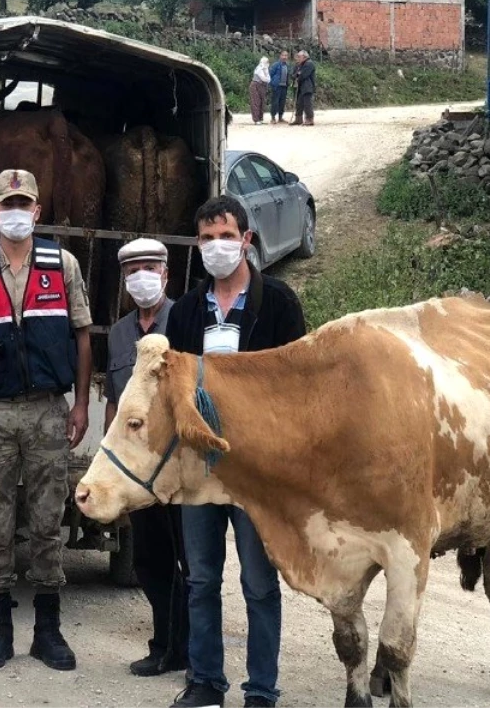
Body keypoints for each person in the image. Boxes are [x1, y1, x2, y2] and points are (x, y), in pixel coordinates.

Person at [164, 197, 306, 708]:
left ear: (247, 239)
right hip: (200, 470)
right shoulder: (183, 312)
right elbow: (171, 389)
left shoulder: (280, 305)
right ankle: (205, 681)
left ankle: (261, 689)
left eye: (226, 236)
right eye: (206, 239)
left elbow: (298, 388)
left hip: (255, 473)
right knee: (200, 579)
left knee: (258, 583)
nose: (216, 247)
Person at [0, 169, 93, 672]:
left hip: (48, 409)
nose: (15, 211)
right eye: (6, 203)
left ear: (37, 211)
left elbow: (81, 333)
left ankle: (48, 631)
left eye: (24, 203)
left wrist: (79, 405)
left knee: (48, 520)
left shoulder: (63, 262)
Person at [105, 238, 188, 678]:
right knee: (150, 560)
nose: (141, 277)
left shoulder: (187, 319)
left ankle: (193, 649)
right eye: (132, 270)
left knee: (192, 562)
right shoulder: (119, 333)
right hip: (138, 471)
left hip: (182, 467)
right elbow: (114, 403)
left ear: (165, 274)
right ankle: (164, 645)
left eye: (149, 268)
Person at [291, 50, 316, 127]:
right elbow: (294, 74)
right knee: (299, 103)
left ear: (304, 57)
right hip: (300, 87)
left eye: (299, 56)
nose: (297, 58)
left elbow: (303, 75)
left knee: (307, 104)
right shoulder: (300, 64)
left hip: (307, 86)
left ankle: (309, 119)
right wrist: (297, 75)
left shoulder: (309, 64)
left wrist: (298, 75)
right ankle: (298, 119)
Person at [269, 51, 291, 124]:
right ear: (280, 56)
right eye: (283, 55)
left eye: (286, 55)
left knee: (282, 102)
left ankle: (280, 118)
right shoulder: (276, 65)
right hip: (276, 87)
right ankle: (273, 118)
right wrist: (273, 83)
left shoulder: (287, 65)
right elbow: (270, 75)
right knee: (275, 102)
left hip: (284, 87)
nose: (284, 57)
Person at [249, 57, 270, 125]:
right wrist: (266, 79)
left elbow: (269, 79)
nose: (267, 63)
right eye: (266, 62)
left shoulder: (266, 69)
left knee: (262, 102)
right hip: (255, 85)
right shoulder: (259, 68)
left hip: (262, 86)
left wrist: (267, 79)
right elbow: (264, 78)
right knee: (256, 102)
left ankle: (260, 118)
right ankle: (256, 119)